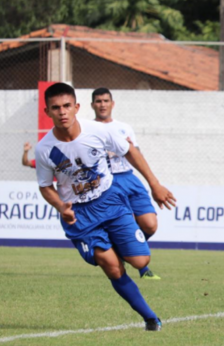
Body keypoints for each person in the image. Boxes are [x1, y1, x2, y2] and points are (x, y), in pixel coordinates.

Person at [35, 83, 176, 330]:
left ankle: (118, 250)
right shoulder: (45, 149)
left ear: (77, 107)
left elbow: (129, 150)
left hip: (109, 200)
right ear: (48, 111)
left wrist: (155, 184)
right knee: (110, 265)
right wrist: (61, 206)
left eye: (67, 106)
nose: (62, 112)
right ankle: (150, 318)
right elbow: (45, 186)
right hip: (78, 214)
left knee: (141, 261)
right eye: (56, 108)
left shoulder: (97, 131)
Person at [91, 87, 161, 280]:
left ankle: (123, 252)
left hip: (129, 177)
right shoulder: (89, 129)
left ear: (112, 104)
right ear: (92, 105)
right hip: (108, 182)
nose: (102, 104)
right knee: (126, 220)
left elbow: (135, 152)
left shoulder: (124, 127)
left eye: (106, 101)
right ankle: (142, 268)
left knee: (150, 224)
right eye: (98, 101)